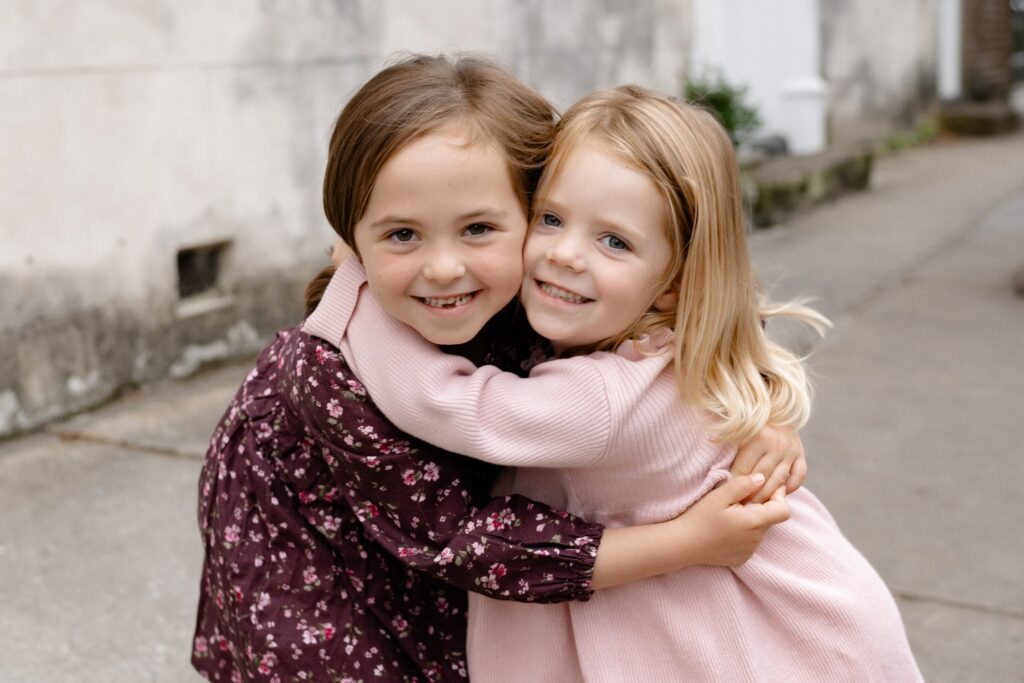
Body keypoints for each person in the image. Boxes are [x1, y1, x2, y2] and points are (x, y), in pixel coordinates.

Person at [193, 56, 803, 682]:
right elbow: (459, 540)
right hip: (315, 548)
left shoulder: (544, 275)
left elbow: (693, 294)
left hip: (441, 535)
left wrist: (750, 416)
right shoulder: (327, 371)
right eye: (401, 234)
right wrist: (689, 542)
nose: (443, 269)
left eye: (478, 228)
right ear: (353, 235)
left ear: (536, 206)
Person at [317, 85, 925, 681]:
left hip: (756, 640)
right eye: (551, 219)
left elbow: (454, 406)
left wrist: (358, 287)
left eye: (614, 241)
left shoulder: (605, 401)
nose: (567, 255)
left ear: (672, 283)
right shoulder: (654, 336)